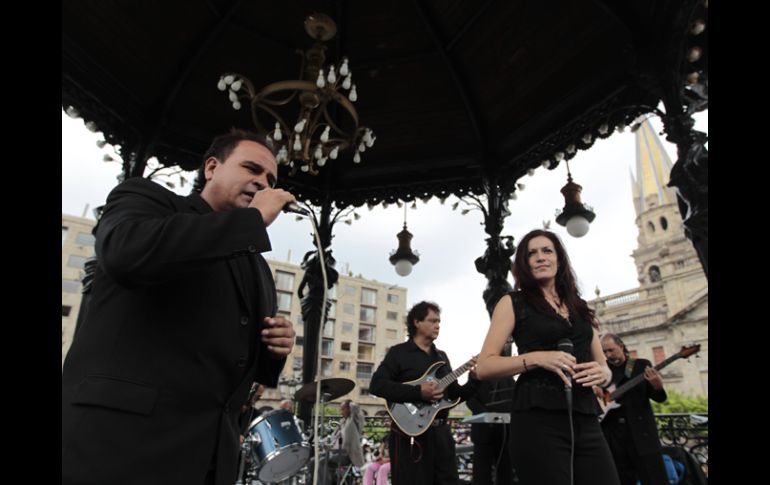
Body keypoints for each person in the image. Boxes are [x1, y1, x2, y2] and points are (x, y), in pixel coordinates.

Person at [62, 129, 298, 485]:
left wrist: (275, 348)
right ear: (211, 167)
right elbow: (126, 254)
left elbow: (243, 365)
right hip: (119, 447)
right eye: (252, 169)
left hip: (207, 459)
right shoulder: (148, 200)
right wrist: (250, 222)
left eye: (271, 179)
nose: (263, 183)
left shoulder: (257, 267)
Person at [476, 229, 620, 485]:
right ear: (524, 263)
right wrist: (536, 358)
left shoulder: (581, 307)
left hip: (586, 417)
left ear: (559, 259)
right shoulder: (512, 302)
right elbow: (485, 366)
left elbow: (603, 366)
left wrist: (604, 373)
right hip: (537, 420)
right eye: (532, 253)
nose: (540, 257)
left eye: (547, 251)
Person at [369, 301, 476, 485]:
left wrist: (475, 381)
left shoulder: (442, 357)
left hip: (441, 434)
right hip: (410, 436)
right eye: (433, 321)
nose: (438, 325)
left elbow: (454, 395)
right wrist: (418, 392)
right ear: (417, 322)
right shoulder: (398, 353)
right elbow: (377, 385)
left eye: (439, 321)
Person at [599, 333, 669, 485]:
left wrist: (657, 386)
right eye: (604, 352)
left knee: (655, 478)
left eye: (611, 350)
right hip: (614, 437)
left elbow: (659, 398)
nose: (608, 355)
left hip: (642, 434)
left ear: (621, 346)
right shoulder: (603, 371)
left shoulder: (640, 365)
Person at [464, 376, 513, 485]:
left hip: (504, 431)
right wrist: (486, 414)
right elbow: (469, 399)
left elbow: (513, 398)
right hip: (482, 432)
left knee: (505, 470)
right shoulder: (478, 374)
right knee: (481, 472)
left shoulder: (508, 377)